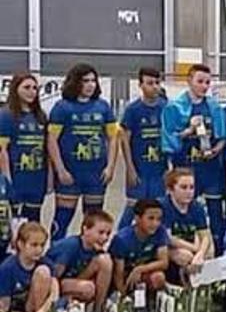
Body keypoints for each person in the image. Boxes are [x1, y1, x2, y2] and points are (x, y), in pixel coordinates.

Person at [161, 64, 226, 253]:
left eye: (207, 82)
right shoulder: (174, 108)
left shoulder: (215, 107)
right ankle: (185, 254)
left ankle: (218, 258)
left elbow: (224, 136)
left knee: (216, 216)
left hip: (210, 170)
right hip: (185, 170)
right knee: (183, 214)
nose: (204, 86)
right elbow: (169, 140)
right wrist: (188, 130)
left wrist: (216, 150)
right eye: (200, 81)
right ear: (189, 81)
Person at [47, 63, 118, 241]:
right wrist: (60, 170)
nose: (90, 85)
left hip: (96, 175)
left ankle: (89, 259)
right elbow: (51, 140)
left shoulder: (103, 107)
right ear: (75, 82)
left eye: (93, 80)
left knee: (94, 222)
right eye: (85, 81)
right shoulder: (62, 107)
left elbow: (113, 138)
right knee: (62, 219)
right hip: (70, 174)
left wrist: (110, 167)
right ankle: (56, 257)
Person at [120, 68, 167, 227]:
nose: (154, 86)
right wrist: (130, 168)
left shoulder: (166, 108)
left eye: (157, 83)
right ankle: (120, 240)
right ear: (140, 85)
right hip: (139, 169)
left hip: (159, 169)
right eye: (149, 83)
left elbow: (172, 136)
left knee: (158, 208)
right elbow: (125, 140)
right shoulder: (132, 110)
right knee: (133, 207)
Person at [46, 211, 113, 312]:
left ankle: (97, 311)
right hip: (54, 282)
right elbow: (54, 276)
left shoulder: (96, 249)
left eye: (108, 233)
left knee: (105, 260)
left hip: (74, 280)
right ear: (85, 230)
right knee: (88, 288)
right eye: (100, 232)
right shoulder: (70, 246)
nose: (105, 237)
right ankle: (63, 303)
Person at [0, 74, 49, 222]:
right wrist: (7, 180)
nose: (31, 91)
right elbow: (2, 151)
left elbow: (47, 150)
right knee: (14, 225)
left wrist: (50, 178)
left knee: (33, 223)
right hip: (16, 179)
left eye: (35, 88)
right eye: (26, 87)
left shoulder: (41, 116)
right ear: (15, 89)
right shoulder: (6, 115)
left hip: (36, 180)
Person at [0, 222, 57, 312]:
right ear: (21, 244)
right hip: (16, 311)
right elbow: (4, 306)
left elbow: (55, 294)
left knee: (43, 271)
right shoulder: (7, 268)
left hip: (37, 309)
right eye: (34, 245)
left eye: (42, 245)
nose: (39, 250)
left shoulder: (46, 263)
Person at [109, 199, 169, 295]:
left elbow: (164, 262)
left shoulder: (160, 231)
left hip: (142, 272)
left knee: (159, 277)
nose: (155, 223)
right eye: (151, 218)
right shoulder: (122, 239)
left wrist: (139, 269)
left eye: (159, 219)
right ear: (137, 218)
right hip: (125, 275)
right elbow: (117, 274)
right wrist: (123, 294)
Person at [160, 168, 212, 276]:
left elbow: (205, 235)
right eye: (183, 187)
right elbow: (168, 238)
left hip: (190, 243)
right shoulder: (163, 206)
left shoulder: (197, 207)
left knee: (209, 250)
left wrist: (200, 254)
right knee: (185, 255)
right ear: (171, 189)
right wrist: (194, 248)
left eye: (191, 187)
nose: (189, 192)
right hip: (166, 247)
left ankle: (200, 282)